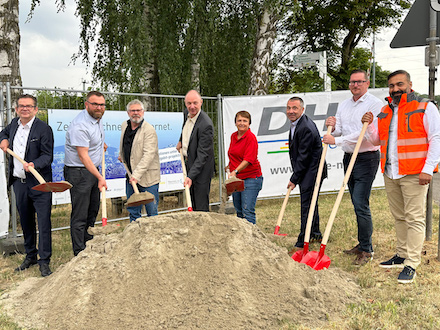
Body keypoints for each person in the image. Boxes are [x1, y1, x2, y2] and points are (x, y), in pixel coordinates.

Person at [362, 70, 440, 283]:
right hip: (391, 172)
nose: (395, 89)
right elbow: (377, 140)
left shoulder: (425, 106)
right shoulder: (385, 110)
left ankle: (411, 263)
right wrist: (368, 125)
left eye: (399, 84)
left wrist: (428, 168)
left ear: (409, 84)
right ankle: (401, 253)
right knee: (399, 216)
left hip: (415, 173)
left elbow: (436, 138)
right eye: (392, 86)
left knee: (415, 218)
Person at [323, 69, 383, 265]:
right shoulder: (344, 104)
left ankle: (367, 250)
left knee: (360, 203)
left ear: (366, 83)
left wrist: (337, 139)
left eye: (359, 82)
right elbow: (340, 129)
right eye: (352, 82)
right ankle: (362, 242)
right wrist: (332, 125)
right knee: (356, 203)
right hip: (349, 158)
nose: (355, 85)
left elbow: (364, 133)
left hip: (367, 158)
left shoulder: (375, 104)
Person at [0, 94, 54, 277]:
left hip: (39, 183)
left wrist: (34, 164)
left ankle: (44, 261)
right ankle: (30, 255)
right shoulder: (14, 124)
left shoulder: (44, 129)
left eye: (29, 106)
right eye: (21, 106)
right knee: (26, 221)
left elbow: (48, 156)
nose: (25, 109)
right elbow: (4, 132)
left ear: (35, 109)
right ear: (16, 109)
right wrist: (4, 140)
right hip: (19, 184)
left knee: (44, 222)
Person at [64, 91, 107, 256]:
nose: (99, 107)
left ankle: (88, 244)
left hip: (92, 170)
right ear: (86, 104)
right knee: (80, 214)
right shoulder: (80, 125)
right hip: (79, 172)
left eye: (102, 104)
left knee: (92, 209)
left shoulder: (97, 119)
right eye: (95, 104)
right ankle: (79, 252)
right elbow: (83, 156)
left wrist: (100, 145)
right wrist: (99, 177)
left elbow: (92, 141)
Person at [286, 97, 327, 248]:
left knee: (307, 204)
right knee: (311, 202)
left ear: (302, 110)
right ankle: (314, 233)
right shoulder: (297, 124)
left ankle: (303, 238)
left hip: (312, 171)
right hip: (308, 170)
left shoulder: (305, 127)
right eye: (289, 108)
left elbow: (304, 157)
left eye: (295, 108)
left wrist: (294, 178)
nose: (291, 111)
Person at [119, 99, 160, 221]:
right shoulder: (124, 125)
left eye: (138, 110)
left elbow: (148, 155)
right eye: (133, 110)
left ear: (143, 112)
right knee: (133, 211)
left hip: (148, 178)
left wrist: (136, 176)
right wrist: (123, 155)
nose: (135, 113)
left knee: (151, 212)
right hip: (131, 175)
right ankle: (135, 235)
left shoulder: (149, 130)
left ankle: (152, 237)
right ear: (128, 112)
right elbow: (127, 145)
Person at [176, 90, 215, 211]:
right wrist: (180, 140)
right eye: (189, 103)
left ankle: (204, 229)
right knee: (190, 201)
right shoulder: (184, 115)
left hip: (202, 170)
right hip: (189, 163)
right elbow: (184, 132)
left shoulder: (206, 125)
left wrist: (191, 176)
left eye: (195, 103)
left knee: (200, 205)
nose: (192, 106)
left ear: (201, 102)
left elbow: (203, 155)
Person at [226, 111, 263, 224]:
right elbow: (233, 154)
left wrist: (235, 170)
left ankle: (252, 239)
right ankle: (242, 239)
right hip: (237, 179)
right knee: (239, 211)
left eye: (245, 121)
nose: (242, 123)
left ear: (249, 123)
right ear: (236, 123)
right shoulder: (233, 136)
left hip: (251, 178)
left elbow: (248, 159)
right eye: (239, 120)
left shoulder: (251, 138)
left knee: (247, 211)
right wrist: (229, 166)